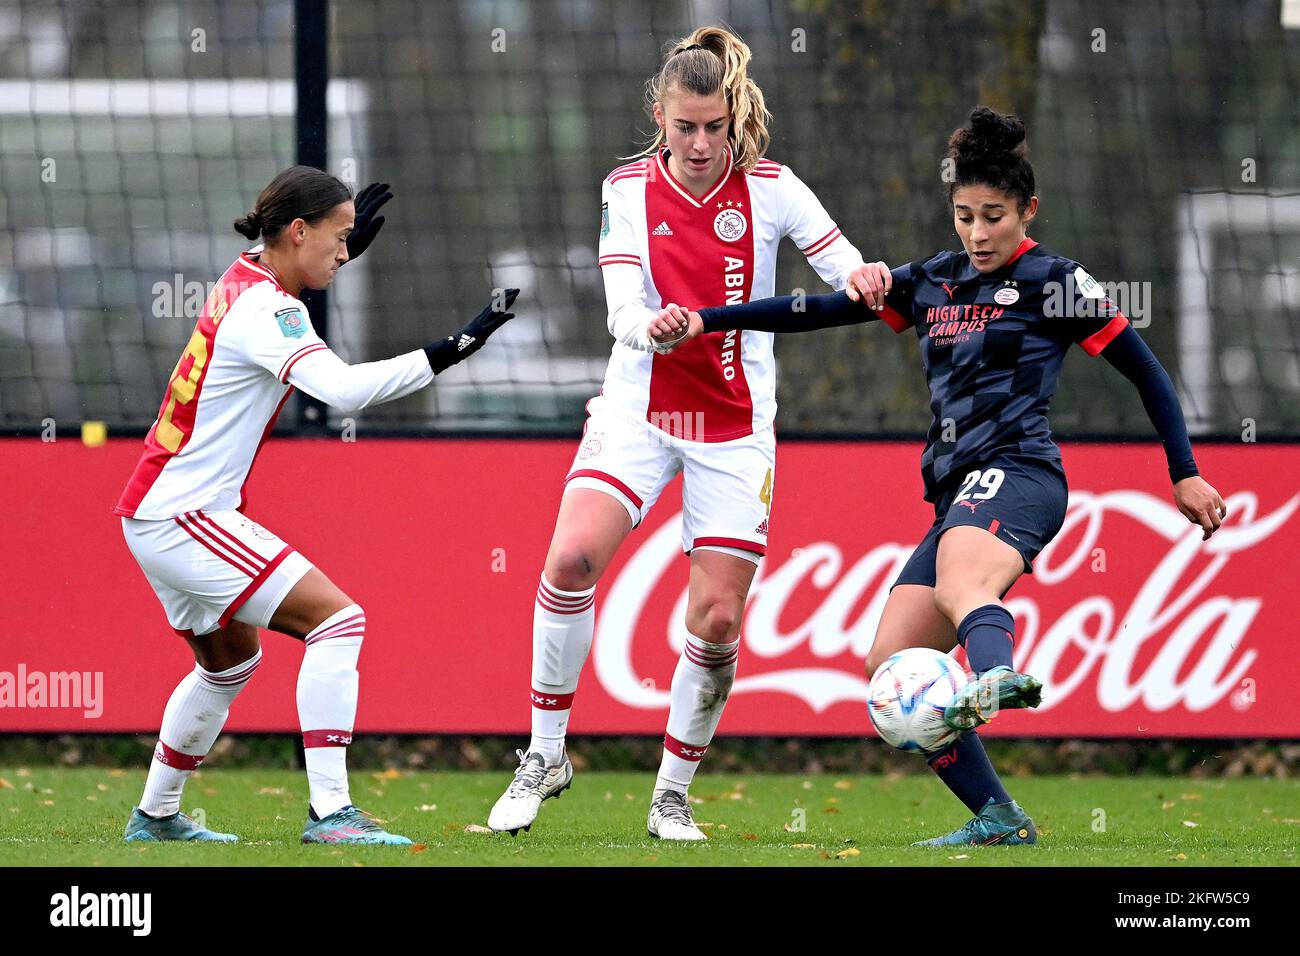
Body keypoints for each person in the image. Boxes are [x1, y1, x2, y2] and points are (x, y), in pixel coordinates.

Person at [650, 106, 1227, 846]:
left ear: (1028, 211)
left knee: (963, 585)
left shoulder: (1055, 280)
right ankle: (999, 817)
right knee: (891, 666)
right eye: (964, 216)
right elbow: (816, 310)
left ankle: (997, 676)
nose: (978, 234)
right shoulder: (931, 281)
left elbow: (1145, 372)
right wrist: (709, 317)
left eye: (994, 217)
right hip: (959, 492)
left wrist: (1183, 472)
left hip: (1021, 472)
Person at [487, 26, 890, 840]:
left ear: (734, 117)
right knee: (568, 558)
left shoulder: (773, 188)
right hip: (641, 410)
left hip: (736, 429)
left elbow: (840, 261)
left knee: (714, 621)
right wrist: (653, 329)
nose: (701, 144)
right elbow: (620, 308)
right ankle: (544, 755)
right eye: (685, 127)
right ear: (660, 119)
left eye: (715, 126)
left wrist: (865, 275)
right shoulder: (626, 189)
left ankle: (671, 792)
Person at [116, 165, 517, 845]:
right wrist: (456, 347)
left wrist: (327, 254)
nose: (344, 250)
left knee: (228, 663)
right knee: (340, 622)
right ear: (297, 230)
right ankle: (332, 814)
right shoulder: (270, 310)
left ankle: (154, 816)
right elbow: (345, 392)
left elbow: (278, 272)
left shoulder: (246, 277)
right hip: (183, 514)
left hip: (153, 508)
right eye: (337, 236)